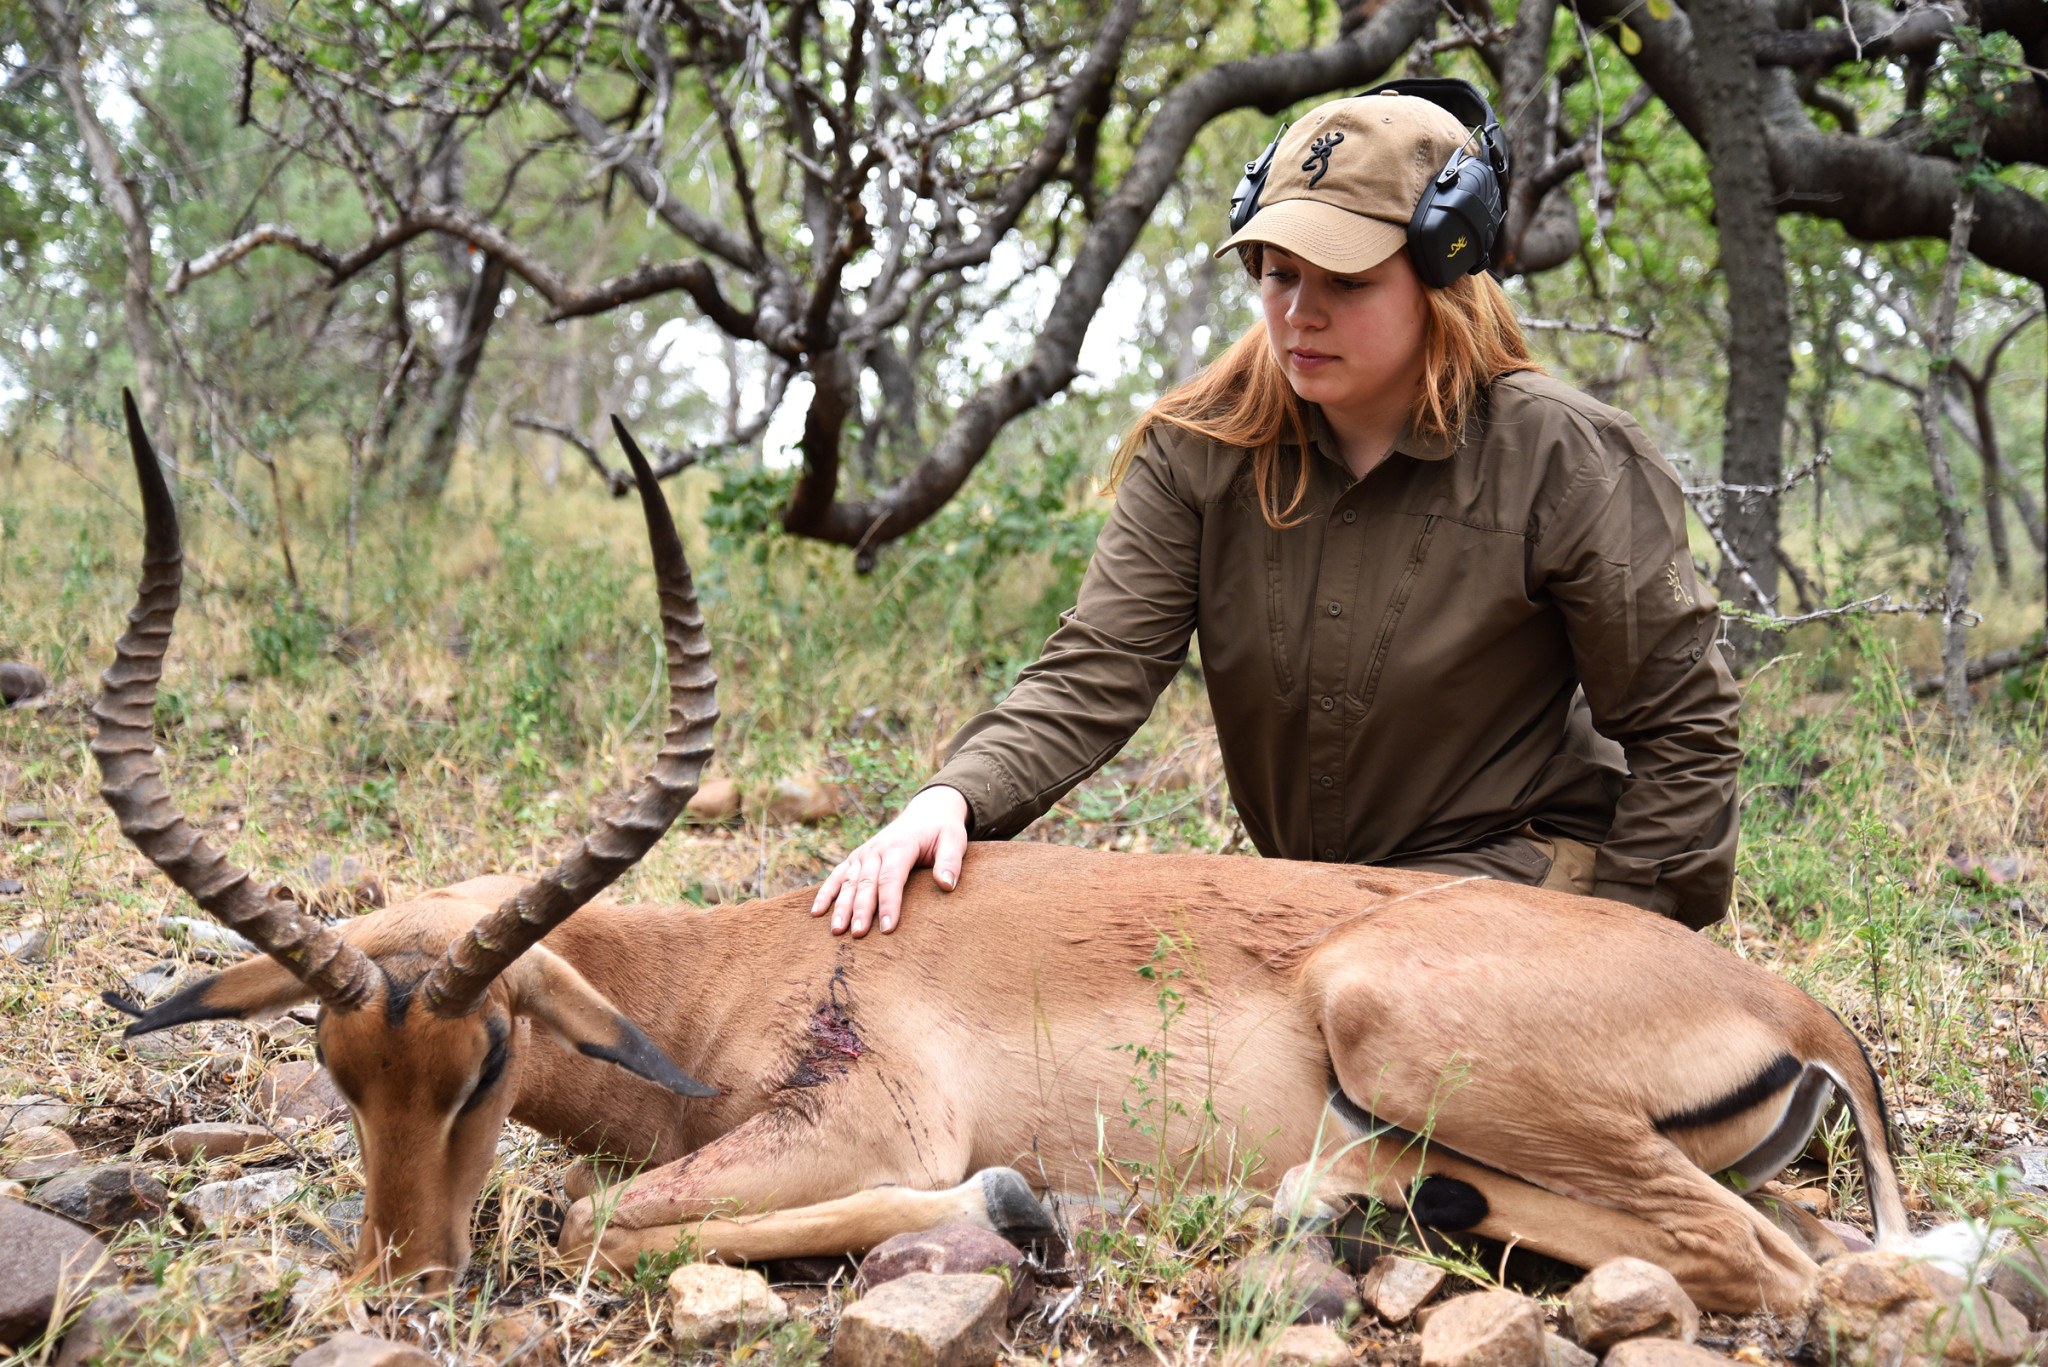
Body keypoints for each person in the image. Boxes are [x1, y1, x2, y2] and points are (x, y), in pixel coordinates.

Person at [810, 87, 1741, 939]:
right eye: (1275, 273)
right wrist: (951, 799)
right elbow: (1100, 665)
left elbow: (1684, 729)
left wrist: (1629, 945)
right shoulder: (1197, 445)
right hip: (1312, 903)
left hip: (1521, 879)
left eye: (1347, 281)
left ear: (1444, 271)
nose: (1299, 313)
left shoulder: (1568, 457)